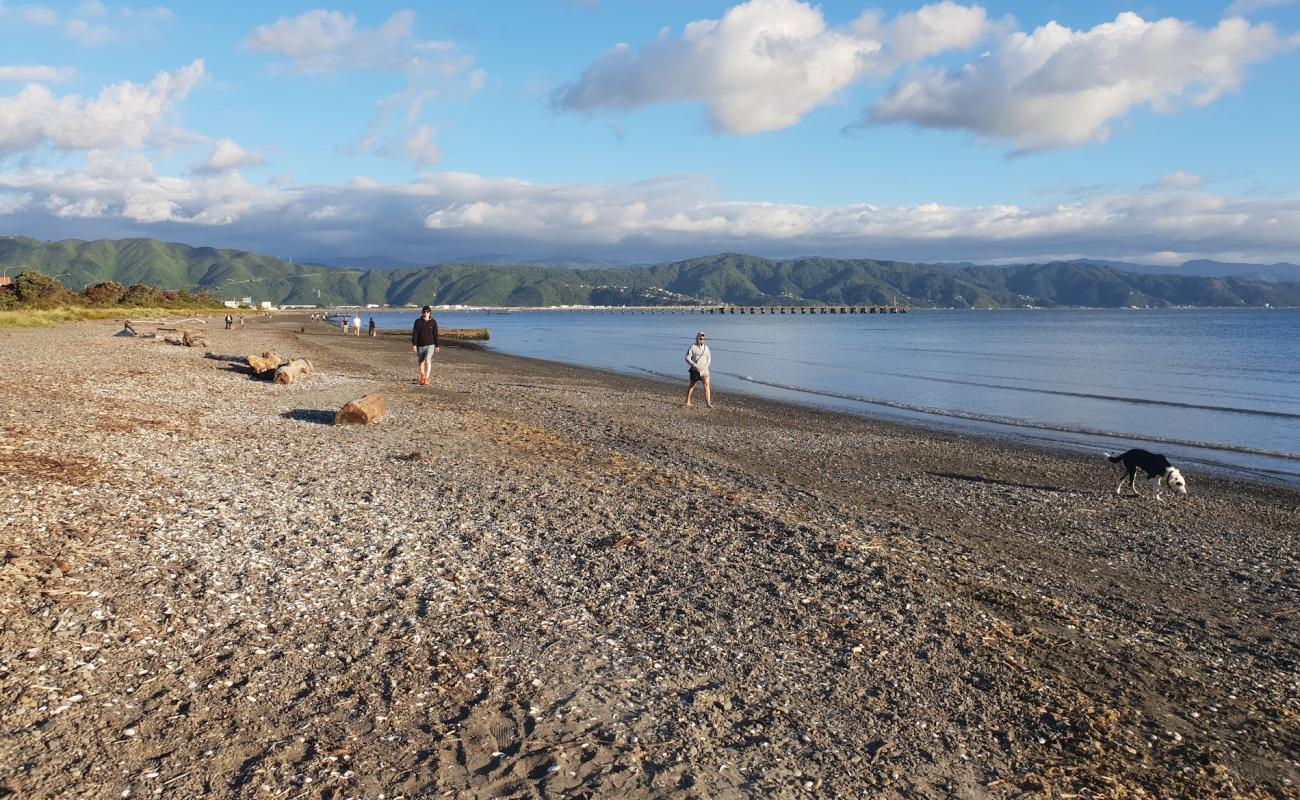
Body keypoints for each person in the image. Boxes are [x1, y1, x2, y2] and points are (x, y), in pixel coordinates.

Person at [411, 306, 440, 385]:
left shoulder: (433, 322)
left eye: (427, 311)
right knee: (421, 362)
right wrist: (414, 344)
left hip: (430, 345)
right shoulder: (417, 322)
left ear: (430, 312)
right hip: (420, 345)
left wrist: (437, 345)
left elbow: (435, 334)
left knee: (428, 359)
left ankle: (427, 378)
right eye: (424, 311)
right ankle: (422, 376)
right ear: (422, 312)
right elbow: (415, 334)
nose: (426, 313)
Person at [685, 331, 713, 408]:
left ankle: (708, 403)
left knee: (707, 385)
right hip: (695, 370)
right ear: (697, 338)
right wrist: (694, 365)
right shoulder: (692, 347)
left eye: (704, 339)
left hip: (705, 370)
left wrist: (707, 365)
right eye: (701, 338)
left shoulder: (706, 348)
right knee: (692, 385)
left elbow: (709, 357)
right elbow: (687, 358)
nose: (702, 340)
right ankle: (687, 400)